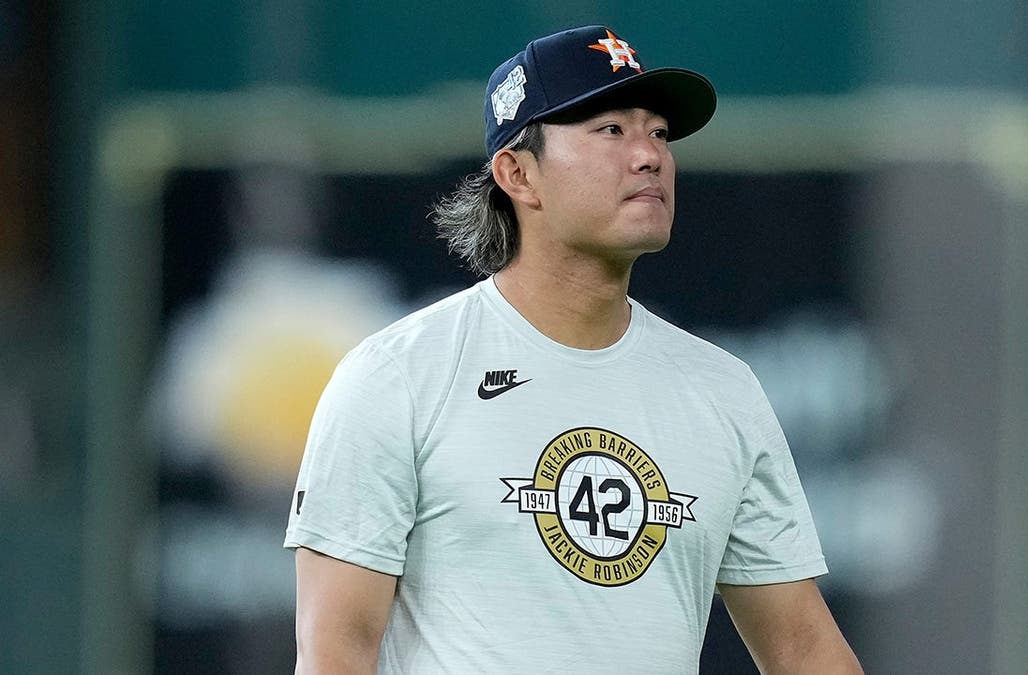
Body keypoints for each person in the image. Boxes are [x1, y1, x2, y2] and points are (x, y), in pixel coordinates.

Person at [285, 24, 862, 674]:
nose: (648, 156)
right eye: (611, 130)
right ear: (518, 173)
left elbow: (805, 650)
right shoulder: (399, 375)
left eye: (659, 134)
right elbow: (335, 652)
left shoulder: (723, 389)